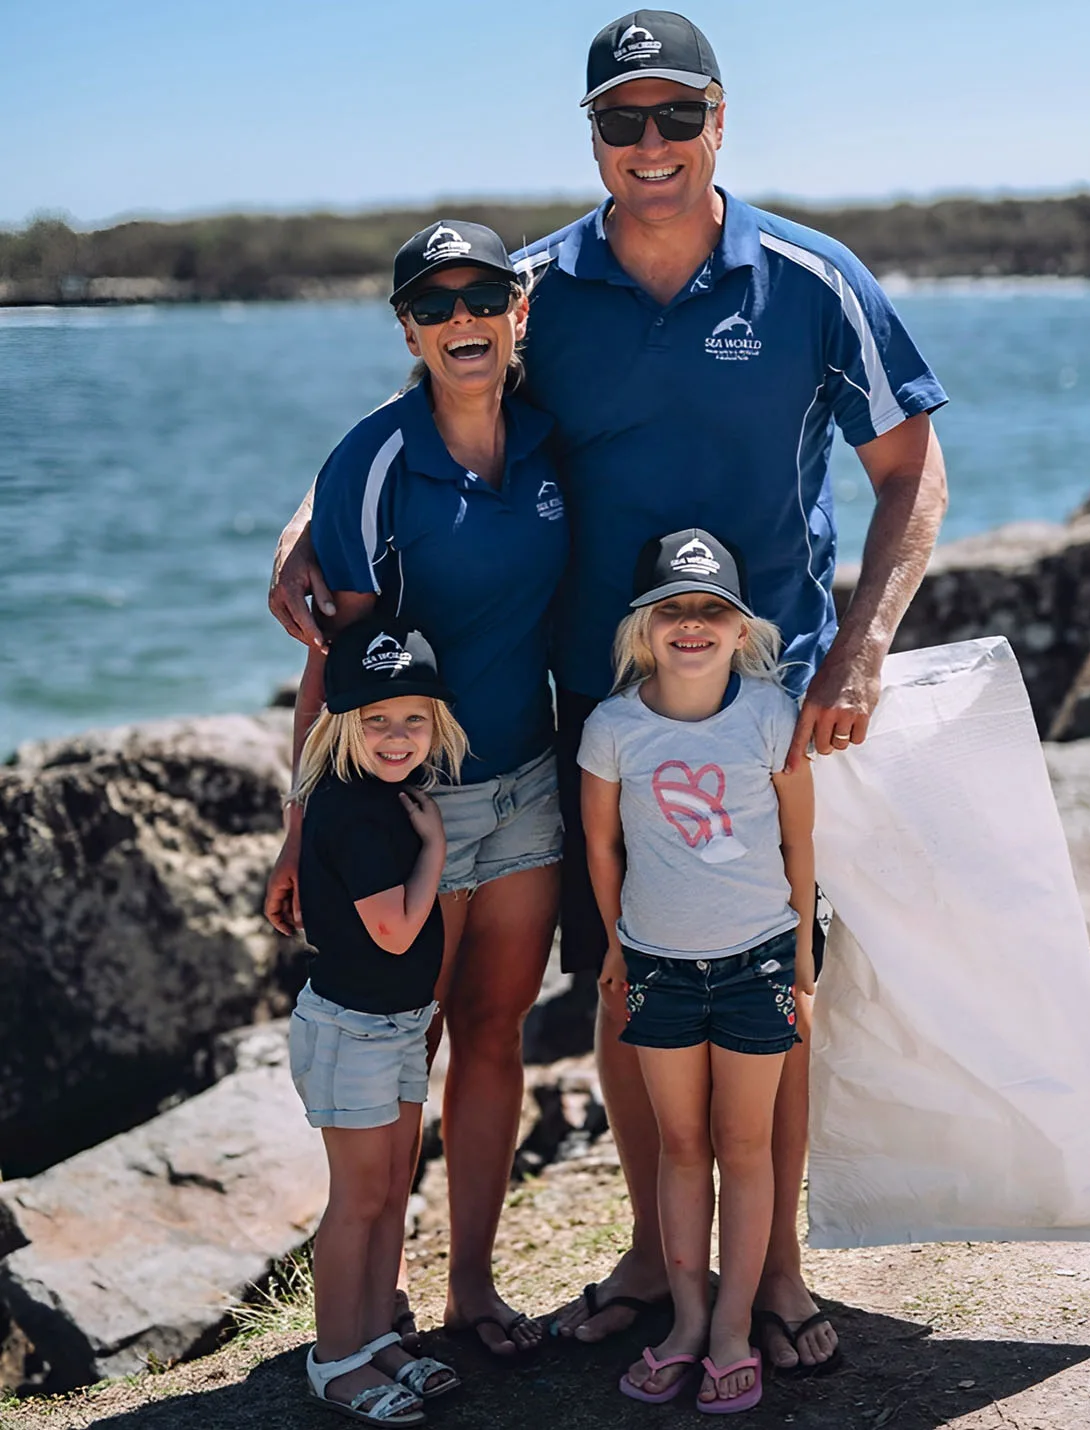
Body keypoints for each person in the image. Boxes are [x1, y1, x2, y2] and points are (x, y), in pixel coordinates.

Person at [268, 11, 949, 1373]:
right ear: (592, 136)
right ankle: (653, 1254)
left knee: (771, 978)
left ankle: (777, 1271)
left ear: (719, 120)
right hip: (596, 711)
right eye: (622, 120)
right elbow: (426, 399)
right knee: (633, 976)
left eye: (675, 115)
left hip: (767, 704)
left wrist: (863, 647)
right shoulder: (530, 288)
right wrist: (305, 521)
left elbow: (910, 468)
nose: (651, 144)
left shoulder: (813, 280)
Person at [265, 219, 569, 1357]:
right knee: (410, 1039)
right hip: (413, 810)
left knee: (495, 1031)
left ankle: (473, 1291)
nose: (461, 320)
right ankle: (374, 1301)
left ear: (517, 312)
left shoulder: (551, 438)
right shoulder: (376, 460)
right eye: (433, 306)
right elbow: (332, 660)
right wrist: (301, 828)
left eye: (481, 297)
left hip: (530, 784)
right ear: (408, 331)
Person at [580, 529, 817, 1413]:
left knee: (745, 1147)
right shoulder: (612, 728)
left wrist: (800, 950)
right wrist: (615, 945)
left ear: (741, 629)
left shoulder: (771, 714)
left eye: (711, 610)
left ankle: (732, 1329)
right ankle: (685, 1322)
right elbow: (601, 847)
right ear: (642, 629)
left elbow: (800, 838)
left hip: (758, 963)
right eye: (671, 609)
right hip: (658, 968)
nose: (691, 624)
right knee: (681, 1147)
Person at [288, 616, 466, 1425]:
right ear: (340, 723)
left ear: (438, 721)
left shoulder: (388, 796)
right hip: (352, 1030)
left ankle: (375, 1338)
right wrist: (434, 852)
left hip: (398, 1022)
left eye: (413, 718)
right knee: (358, 1199)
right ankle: (335, 1359)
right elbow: (393, 929)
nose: (397, 736)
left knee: (392, 1190)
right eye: (376, 720)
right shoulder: (354, 812)